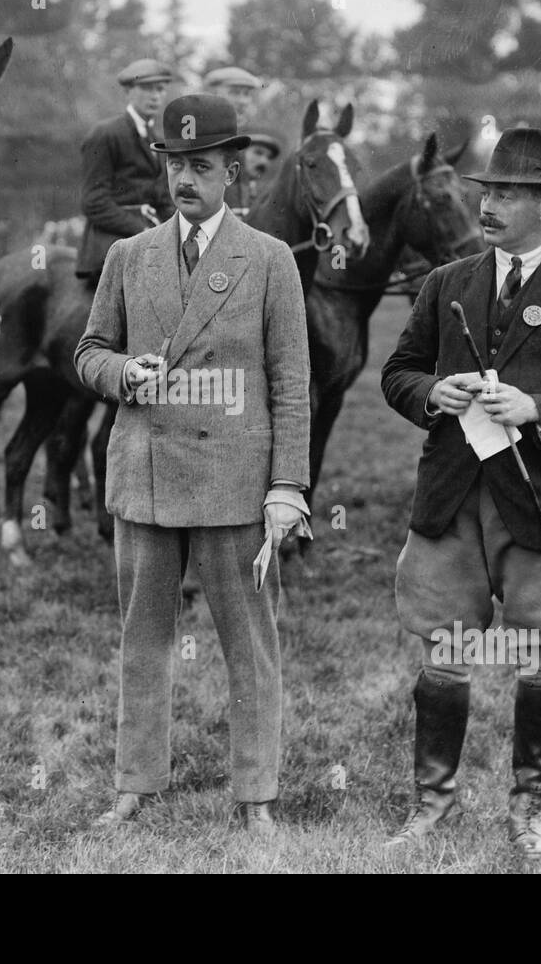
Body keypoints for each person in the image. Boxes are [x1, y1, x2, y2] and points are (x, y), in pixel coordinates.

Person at [380, 127, 541, 856]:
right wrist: (436, 390)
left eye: (507, 194)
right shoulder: (446, 284)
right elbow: (396, 374)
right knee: (442, 649)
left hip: (539, 505)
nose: (488, 205)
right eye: (485, 191)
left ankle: (530, 810)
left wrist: (538, 410)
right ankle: (431, 805)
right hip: (452, 497)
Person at [75, 94, 311, 836]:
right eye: (175, 165)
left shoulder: (269, 260)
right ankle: (135, 784)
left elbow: (290, 384)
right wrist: (123, 376)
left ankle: (257, 796)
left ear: (232, 174)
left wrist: (287, 487)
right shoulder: (128, 255)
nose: (186, 179)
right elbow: (88, 353)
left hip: (234, 485)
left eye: (202, 166)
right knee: (141, 641)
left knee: (251, 646)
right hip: (145, 473)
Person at [76, 59, 178, 289]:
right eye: (147, 88)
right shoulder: (105, 134)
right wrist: (141, 230)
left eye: (160, 89)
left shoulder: (158, 140)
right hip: (110, 242)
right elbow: (93, 202)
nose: (155, 96)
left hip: (148, 237)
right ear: (128, 92)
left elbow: (162, 199)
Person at [204, 66, 263, 217]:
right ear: (212, 95)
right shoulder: (201, 136)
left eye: (247, 94)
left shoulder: (237, 136)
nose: (243, 101)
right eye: (235, 93)